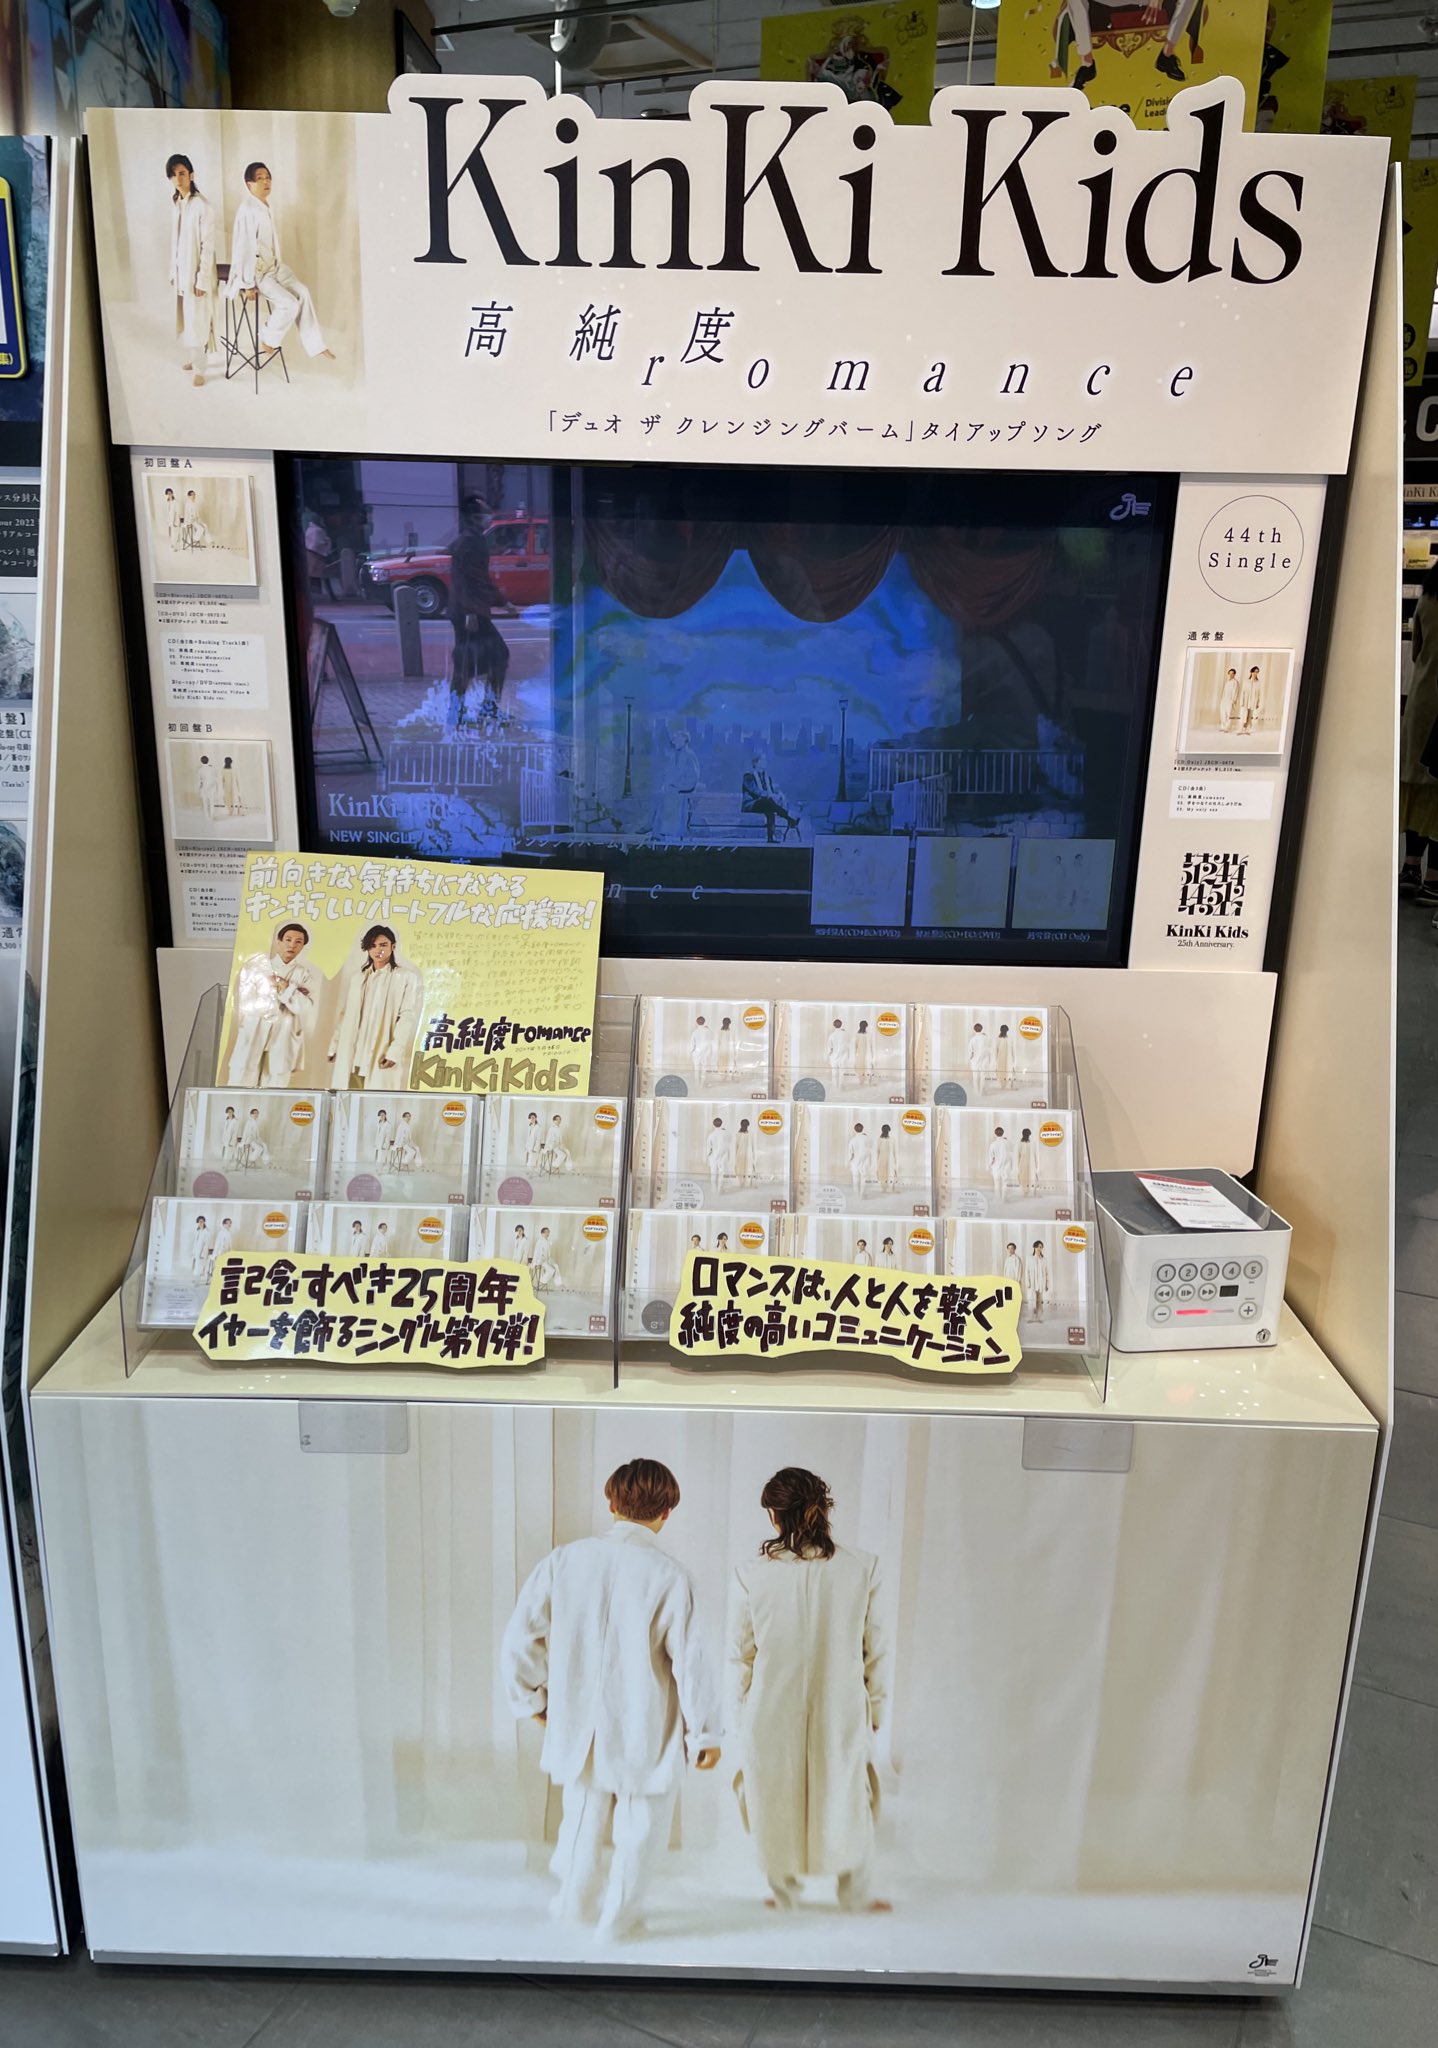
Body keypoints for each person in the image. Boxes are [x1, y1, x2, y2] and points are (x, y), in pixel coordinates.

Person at [501, 1458, 719, 1942]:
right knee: (642, 1822)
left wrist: (531, 1699)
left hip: (577, 1718)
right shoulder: (671, 1577)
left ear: (611, 1504)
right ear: (666, 1512)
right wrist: (705, 1732)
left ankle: (574, 1904)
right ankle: (620, 1920)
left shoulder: (564, 1561)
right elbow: (692, 1663)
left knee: (582, 1811)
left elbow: (520, 1638)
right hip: (644, 1719)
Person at [728, 1467, 890, 1915]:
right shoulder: (862, 1568)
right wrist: (876, 1707)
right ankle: (855, 1894)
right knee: (851, 1794)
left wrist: (739, 1714)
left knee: (771, 1794)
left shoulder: (750, 1574)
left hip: (769, 1706)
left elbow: (740, 1656)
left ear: (774, 1515)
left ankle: (785, 1894)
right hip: (842, 1705)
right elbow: (876, 1649)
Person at [227, 161, 335, 363]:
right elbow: (243, 249)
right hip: (258, 273)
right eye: (260, 178)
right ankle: (268, 338)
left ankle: (316, 345)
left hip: (275, 267)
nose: (265, 182)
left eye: (268, 177)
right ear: (249, 184)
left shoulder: (265, 205)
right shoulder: (247, 209)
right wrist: (248, 284)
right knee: (289, 303)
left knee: (303, 292)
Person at [227, 921, 319, 1088]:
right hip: (254, 1028)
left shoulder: (304, 974)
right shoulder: (258, 968)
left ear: (302, 947)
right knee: (242, 1075)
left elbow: (305, 1007)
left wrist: (285, 986)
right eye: (288, 940)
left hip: (285, 1032)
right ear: (278, 941)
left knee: (276, 1079)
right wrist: (292, 992)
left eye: (298, 942)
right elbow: (244, 1002)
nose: (292, 945)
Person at [328, 924, 419, 1090]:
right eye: (373, 945)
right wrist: (334, 1046)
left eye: (383, 945)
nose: (378, 950)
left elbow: (406, 1016)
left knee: (376, 1099)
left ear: (393, 946)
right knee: (348, 1097)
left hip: (380, 1051)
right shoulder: (359, 978)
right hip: (353, 1052)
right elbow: (345, 1014)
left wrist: (395, 1051)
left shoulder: (405, 977)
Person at [448, 494, 511, 720]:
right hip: (470, 611)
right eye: (484, 512)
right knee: (495, 656)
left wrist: (502, 602)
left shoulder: (470, 539)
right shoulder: (470, 542)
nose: (489, 516)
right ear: (474, 517)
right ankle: (484, 709)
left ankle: (461, 710)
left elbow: (477, 578)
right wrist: (471, 611)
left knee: (469, 662)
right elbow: (469, 579)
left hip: (467, 610)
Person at [1401, 561, 1438, 900]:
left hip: (1423, 700)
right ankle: (1434, 879)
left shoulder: (1427, 599)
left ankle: (1410, 866)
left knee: (1418, 783)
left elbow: (1416, 653)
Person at [166, 153, 214, 390]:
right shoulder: (178, 203)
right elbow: (175, 241)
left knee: (197, 320)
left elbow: (208, 246)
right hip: (182, 273)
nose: (178, 178)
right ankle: (194, 360)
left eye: (182, 173)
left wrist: (201, 279)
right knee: (187, 318)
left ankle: (200, 369)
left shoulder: (202, 206)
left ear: (191, 175)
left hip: (196, 274)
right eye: (174, 175)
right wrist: (173, 271)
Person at [652, 728, 701, 840]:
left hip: (681, 793)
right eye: (673, 739)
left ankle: (670, 836)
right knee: (662, 803)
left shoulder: (689, 756)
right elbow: (669, 774)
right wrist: (666, 785)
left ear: (684, 740)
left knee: (672, 804)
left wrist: (678, 786)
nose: (673, 742)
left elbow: (693, 778)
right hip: (672, 792)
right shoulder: (674, 755)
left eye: (676, 739)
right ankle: (661, 835)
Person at [740, 752, 800, 844]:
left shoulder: (767, 778)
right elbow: (755, 791)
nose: (765, 762)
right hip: (751, 804)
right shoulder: (748, 776)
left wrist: (778, 794)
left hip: (765, 804)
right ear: (756, 763)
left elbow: (771, 792)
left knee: (770, 807)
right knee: (768, 801)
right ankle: (790, 819)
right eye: (762, 760)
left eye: (765, 760)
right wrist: (770, 795)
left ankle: (770, 838)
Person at [705, 1115, 732, 1193]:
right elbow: (729, 1142)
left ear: (714, 1124)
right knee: (721, 1174)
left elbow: (708, 1149)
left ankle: (714, 1190)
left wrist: (708, 1157)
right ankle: (720, 1190)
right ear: (721, 1123)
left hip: (713, 1157)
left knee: (713, 1174)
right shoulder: (726, 1133)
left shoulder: (711, 1135)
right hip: (723, 1157)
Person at [846, 1120, 872, 1199]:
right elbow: (870, 1149)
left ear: (855, 1130)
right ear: (862, 1129)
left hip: (855, 1162)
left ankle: (856, 1195)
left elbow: (850, 1153)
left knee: (855, 1179)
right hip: (865, 1162)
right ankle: (862, 1195)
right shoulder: (867, 1138)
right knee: (864, 1178)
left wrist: (848, 1162)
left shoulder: (852, 1140)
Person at [1026, 1238, 1051, 1319]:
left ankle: (1039, 1316)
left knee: (1040, 1299)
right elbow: (1027, 1271)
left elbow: (1047, 1273)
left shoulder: (1044, 1260)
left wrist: (1047, 1284)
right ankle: (1033, 1315)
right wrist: (1028, 1282)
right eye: (1037, 1247)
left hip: (1041, 1282)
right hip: (1033, 1282)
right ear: (1034, 1247)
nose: (1039, 1248)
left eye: (1040, 1247)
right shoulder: (1030, 1258)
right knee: (1033, 1299)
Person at [986, 1124, 1012, 1201]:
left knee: (996, 1184)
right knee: (1005, 1183)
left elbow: (991, 1158)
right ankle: (1004, 1199)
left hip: (996, 1167)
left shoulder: (993, 1144)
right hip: (1006, 1166)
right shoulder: (1007, 1142)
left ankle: (998, 1199)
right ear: (1003, 1133)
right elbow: (1012, 1149)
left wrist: (991, 1165)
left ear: (995, 1134)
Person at [687, 1014, 715, 1084]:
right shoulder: (709, 1031)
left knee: (696, 1069)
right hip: (706, 1053)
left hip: (697, 1053)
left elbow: (692, 1044)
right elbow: (712, 1039)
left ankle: (696, 1083)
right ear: (704, 1022)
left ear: (697, 1022)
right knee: (704, 1069)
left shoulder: (695, 1032)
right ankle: (702, 1083)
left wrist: (691, 1052)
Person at [533, 1226, 562, 1291]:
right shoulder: (540, 1241)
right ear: (542, 1233)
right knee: (551, 1270)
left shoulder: (548, 1241)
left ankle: (559, 1284)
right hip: (540, 1260)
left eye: (548, 1232)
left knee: (556, 1266)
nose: (548, 1233)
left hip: (547, 1260)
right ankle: (542, 1281)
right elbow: (538, 1253)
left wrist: (549, 1260)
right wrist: (539, 1261)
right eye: (546, 1232)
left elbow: (548, 1253)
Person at [826, 1017, 847, 1093]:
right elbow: (848, 1044)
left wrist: (829, 1055)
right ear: (841, 1025)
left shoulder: (832, 1035)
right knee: (842, 1072)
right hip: (843, 1056)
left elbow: (829, 1047)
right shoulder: (845, 1034)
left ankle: (835, 1086)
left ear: (834, 1025)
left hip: (834, 1056)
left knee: (834, 1072)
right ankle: (841, 1086)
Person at [195, 753, 220, 820]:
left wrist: (198, 789)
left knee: (205, 803)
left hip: (204, 788)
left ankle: (206, 817)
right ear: (208, 761)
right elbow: (215, 778)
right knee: (212, 803)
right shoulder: (212, 769)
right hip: (212, 787)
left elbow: (199, 781)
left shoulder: (200, 770)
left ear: (201, 761)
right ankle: (212, 816)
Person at [735, 1116, 755, 1189]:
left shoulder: (738, 1134)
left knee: (740, 1169)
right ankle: (746, 1183)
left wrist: (735, 1155)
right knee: (747, 1169)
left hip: (740, 1154)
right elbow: (753, 1146)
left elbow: (735, 1146)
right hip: (747, 1154)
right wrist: (754, 1156)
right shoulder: (750, 1134)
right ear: (748, 1125)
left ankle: (741, 1183)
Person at [1219, 666, 1240, 735]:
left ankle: (1227, 728)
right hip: (1224, 700)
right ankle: (1223, 727)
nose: (1231, 675)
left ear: (1234, 674)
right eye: (1230, 673)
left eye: (1232, 673)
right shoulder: (1227, 682)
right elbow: (1224, 692)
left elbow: (1236, 692)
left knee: (1229, 714)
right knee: (1223, 713)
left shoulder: (1235, 682)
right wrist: (1222, 699)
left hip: (1230, 700)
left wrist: (1233, 701)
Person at [854, 1018, 875, 1087]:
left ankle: (862, 1081)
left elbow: (855, 1046)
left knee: (861, 1068)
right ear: (866, 1026)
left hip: (860, 1055)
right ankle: (867, 1081)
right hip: (866, 1054)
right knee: (867, 1067)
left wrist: (855, 1054)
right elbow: (872, 1046)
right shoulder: (868, 1035)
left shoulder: (857, 1035)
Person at [875, 1122, 896, 1192]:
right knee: (890, 1172)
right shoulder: (891, 1139)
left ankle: (883, 1187)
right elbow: (894, 1151)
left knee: (882, 1173)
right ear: (889, 1130)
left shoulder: (880, 1139)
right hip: (889, 1159)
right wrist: (895, 1160)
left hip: (882, 1158)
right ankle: (889, 1187)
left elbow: (877, 1151)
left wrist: (877, 1160)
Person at [716, 1016, 737, 1080]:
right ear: (723, 1023)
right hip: (722, 1051)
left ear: (729, 1023)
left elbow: (734, 1042)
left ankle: (729, 1077)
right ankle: (722, 1077)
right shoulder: (719, 1032)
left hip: (730, 1051)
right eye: (725, 1022)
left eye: (727, 1023)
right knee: (722, 1064)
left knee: (730, 1064)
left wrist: (735, 1052)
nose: (726, 1024)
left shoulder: (732, 1032)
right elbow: (717, 1042)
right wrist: (718, 1052)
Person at [1016, 1126, 1035, 1198]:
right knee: (1023, 1176)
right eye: (1027, 1134)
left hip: (1030, 1162)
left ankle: (1028, 1190)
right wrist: (1018, 1165)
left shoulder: (1031, 1143)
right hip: (1023, 1162)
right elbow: (1018, 1155)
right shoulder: (1020, 1143)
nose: (1028, 1136)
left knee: (1029, 1176)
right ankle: (1025, 1191)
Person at [522, 1110, 544, 1175]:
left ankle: (532, 1174)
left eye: (533, 1118)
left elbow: (538, 1138)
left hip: (534, 1147)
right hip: (528, 1146)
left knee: (532, 1161)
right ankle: (530, 1173)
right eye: (530, 1118)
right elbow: (528, 1137)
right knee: (527, 1160)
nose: (532, 1119)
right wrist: (526, 1146)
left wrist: (535, 1147)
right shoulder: (529, 1126)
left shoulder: (539, 1127)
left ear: (536, 1118)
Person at [994, 1023, 1014, 1091]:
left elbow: (1012, 1049)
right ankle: (1003, 1085)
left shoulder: (1009, 1038)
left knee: (1006, 1070)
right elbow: (996, 1049)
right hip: (1002, 1058)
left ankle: (1006, 1085)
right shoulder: (998, 1038)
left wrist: (1013, 1058)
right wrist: (995, 1059)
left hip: (1006, 1058)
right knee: (1003, 1070)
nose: (1005, 1031)